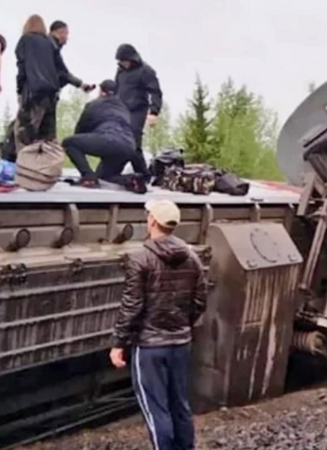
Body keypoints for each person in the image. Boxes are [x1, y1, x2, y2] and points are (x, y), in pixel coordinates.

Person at [110, 199, 208, 450]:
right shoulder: (193, 258)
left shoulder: (140, 258)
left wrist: (118, 343)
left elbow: (132, 306)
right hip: (181, 343)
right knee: (180, 405)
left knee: (156, 410)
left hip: (150, 346)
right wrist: (182, 325)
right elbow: (200, 301)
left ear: (152, 221)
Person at [62, 80, 148, 192]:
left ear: (102, 92)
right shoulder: (124, 108)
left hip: (109, 139)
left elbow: (79, 131)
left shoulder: (93, 105)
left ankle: (88, 177)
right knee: (104, 177)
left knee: (69, 143)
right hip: (129, 146)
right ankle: (131, 180)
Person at [14, 14, 67, 147]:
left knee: (25, 134)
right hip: (51, 95)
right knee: (47, 136)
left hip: (33, 93)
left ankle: (25, 164)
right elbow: (61, 70)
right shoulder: (50, 44)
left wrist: (19, 90)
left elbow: (22, 68)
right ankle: (47, 165)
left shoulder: (25, 41)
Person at [114, 43, 162, 180]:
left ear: (132, 59)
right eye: (120, 61)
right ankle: (112, 171)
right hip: (121, 110)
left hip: (137, 110)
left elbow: (155, 92)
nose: (122, 64)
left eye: (124, 61)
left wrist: (153, 112)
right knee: (118, 141)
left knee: (133, 143)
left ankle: (143, 175)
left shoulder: (146, 71)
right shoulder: (120, 71)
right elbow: (117, 89)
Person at [48, 20, 94, 93]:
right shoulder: (52, 48)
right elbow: (63, 72)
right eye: (66, 34)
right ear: (60, 32)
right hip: (45, 90)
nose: (67, 38)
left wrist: (80, 84)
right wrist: (80, 84)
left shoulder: (49, 47)